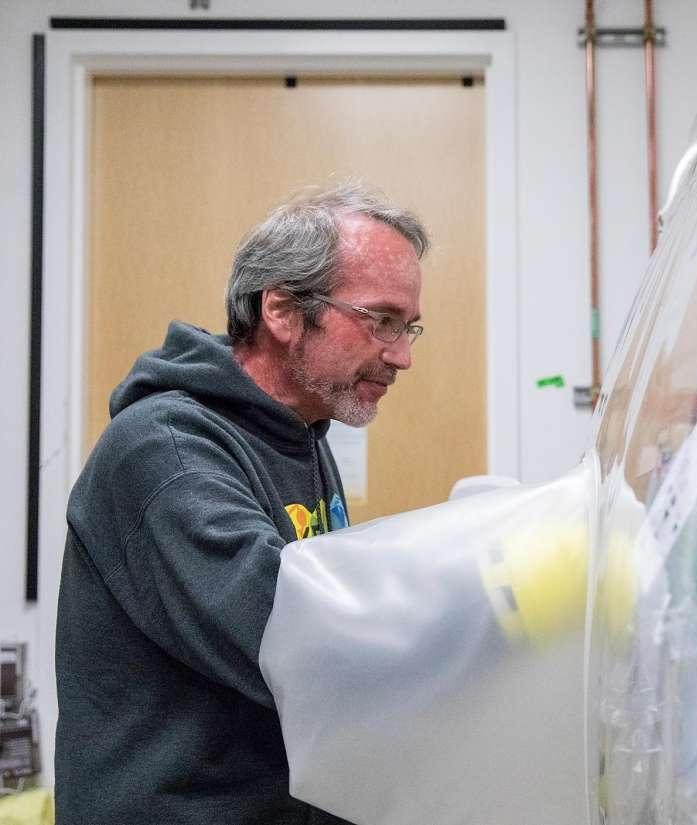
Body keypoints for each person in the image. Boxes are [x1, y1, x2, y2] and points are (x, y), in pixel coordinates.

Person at [54, 182, 428, 824]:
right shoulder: (167, 450)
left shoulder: (301, 432)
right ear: (282, 310)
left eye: (409, 326)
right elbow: (293, 638)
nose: (402, 355)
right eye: (381, 321)